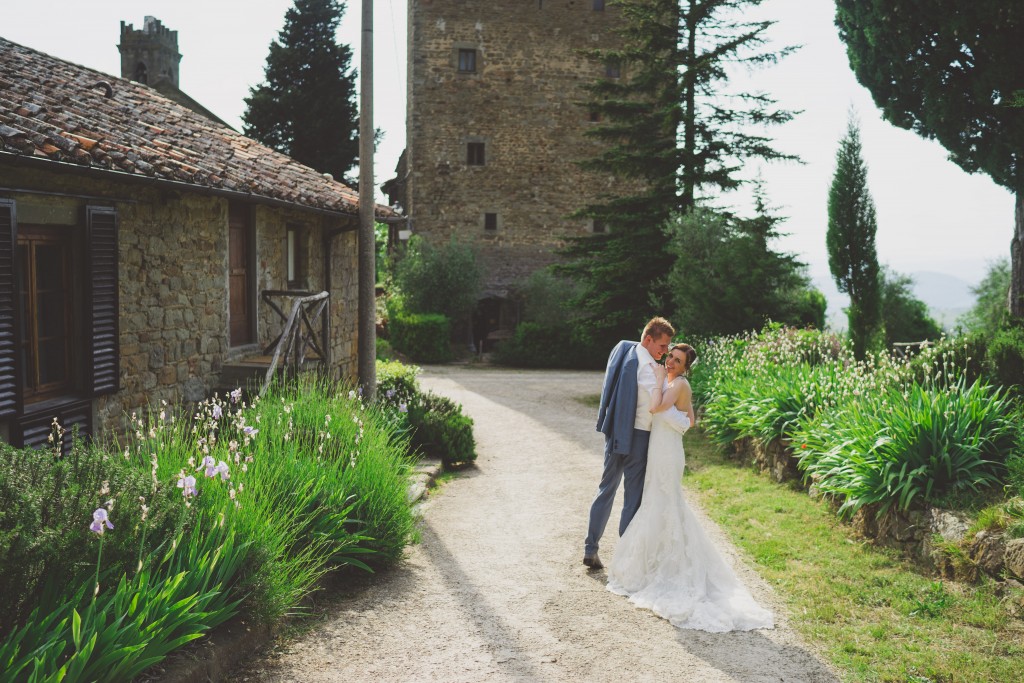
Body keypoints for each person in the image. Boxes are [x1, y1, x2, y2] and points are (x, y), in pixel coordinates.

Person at [606, 343, 774, 632]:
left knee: (667, 503)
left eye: (677, 360)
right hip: (661, 448)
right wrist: (675, 412)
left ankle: (671, 567)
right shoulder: (676, 384)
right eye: (670, 356)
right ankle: (654, 562)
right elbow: (691, 420)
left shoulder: (678, 383)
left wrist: (659, 382)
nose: (670, 362)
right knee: (656, 502)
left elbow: (656, 406)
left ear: (685, 367)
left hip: (668, 454)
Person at [584, 317, 675, 570]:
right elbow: (658, 405)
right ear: (648, 340)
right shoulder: (648, 369)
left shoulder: (626, 351)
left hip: (615, 432)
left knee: (606, 490)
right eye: (663, 345)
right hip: (638, 438)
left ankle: (590, 548)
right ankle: (625, 558)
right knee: (632, 498)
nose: (665, 351)